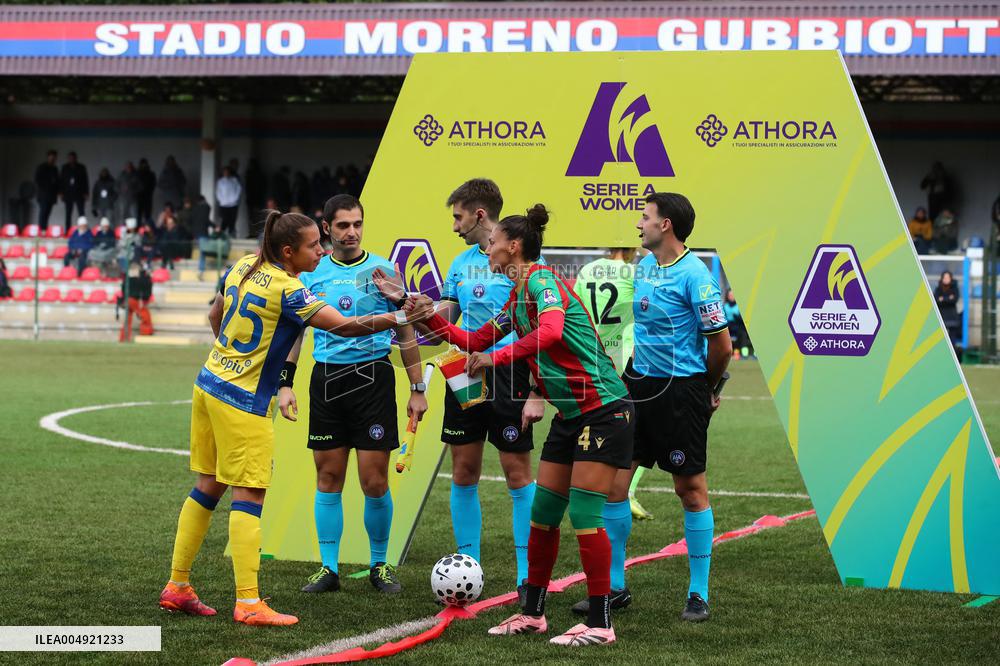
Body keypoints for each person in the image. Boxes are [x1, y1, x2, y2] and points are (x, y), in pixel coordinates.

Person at [158, 210, 434, 626]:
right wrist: (400, 317)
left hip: (209, 383)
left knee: (206, 487)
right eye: (312, 245)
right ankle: (249, 602)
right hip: (243, 401)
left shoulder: (243, 267)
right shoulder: (290, 289)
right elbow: (343, 326)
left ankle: (178, 585)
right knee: (249, 496)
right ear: (289, 252)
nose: (321, 249)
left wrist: (235, 359)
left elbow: (215, 316)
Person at [388, 204, 635, 646]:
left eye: (495, 240)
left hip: (604, 410)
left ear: (513, 246)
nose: (489, 247)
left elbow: (553, 332)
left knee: (582, 514)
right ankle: (533, 614)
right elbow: (471, 339)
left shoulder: (541, 280)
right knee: (542, 516)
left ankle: (600, 624)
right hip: (571, 415)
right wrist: (418, 310)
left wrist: (494, 358)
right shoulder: (517, 295)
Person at [574, 192, 732, 625]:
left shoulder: (696, 276)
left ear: (666, 226)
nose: (638, 224)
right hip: (638, 386)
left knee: (690, 490)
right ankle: (615, 587)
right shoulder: (644, 267)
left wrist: (706, 388)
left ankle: (698, 593)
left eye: (645, 217)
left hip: (681, 393)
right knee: (615, 487)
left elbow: (722, 346)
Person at [281, 194, 427, 596]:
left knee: (374, 480)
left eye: (357, 224)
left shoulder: (385, 269)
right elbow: (296, 333)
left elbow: (405, 328)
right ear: (326, 228)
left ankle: (380, 565)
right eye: (343, 225)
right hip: (327, 379)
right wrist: (285, 382)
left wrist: (417, 389)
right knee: (328, 477)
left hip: (374, 379)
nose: (352, 232)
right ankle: (328, 569)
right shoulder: (311, 273)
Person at [415, 179, 537, 591]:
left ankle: (526, 573)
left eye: (458, 216)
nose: (455, 226)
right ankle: (468, 567)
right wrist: (421, 311)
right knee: (463, 471)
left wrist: (535, 386)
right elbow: (448, 315)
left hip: (509, 373)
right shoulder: (458, 263)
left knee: (516, 471)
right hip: (463, 371)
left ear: (479, 215)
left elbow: (536, 324)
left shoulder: (519, 263)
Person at [573, 248, 651, 521]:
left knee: (594, 429)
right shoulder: (634, 273)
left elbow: (578, 314)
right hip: (627, 359)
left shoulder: (587, 270)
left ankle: (595, 492)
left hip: (594, 358)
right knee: (636, 433)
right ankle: (623, 491)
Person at [119, 261, 154, 340]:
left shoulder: (127, 278)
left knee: (127, 320)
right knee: (145, 315)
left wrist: (124, 300)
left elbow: (123, 289)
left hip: (128, 300)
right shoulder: (139, 279)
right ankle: (146, 333)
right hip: (135, 299)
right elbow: (142, 288)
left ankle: (124, 337)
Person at [935, 270, 961, 357]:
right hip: (941, 317)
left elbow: (954, 300)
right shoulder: (938, 289)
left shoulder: (955, 288)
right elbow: (936, 300)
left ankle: (953, 356)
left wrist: (943, 299)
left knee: (952, 338)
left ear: (951, 278)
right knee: (940, 338)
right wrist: (948, 298)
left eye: (948, 277)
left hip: (952, 317)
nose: (946, 279)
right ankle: (941, 355)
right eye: (944, 277)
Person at [723, 288, 752, 358]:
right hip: (728, 326)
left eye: (733, 295)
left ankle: (744, 354)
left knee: (743, 334)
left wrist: (738, 317)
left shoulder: (739, 306)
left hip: (739, 326)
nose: (731, 297)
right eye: (730, 295)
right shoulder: (725, 306)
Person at [34, 150, 59, 230]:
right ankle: (41, 229)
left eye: (54, 158)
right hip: (43, 195)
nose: (52, 159)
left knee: (48, 213)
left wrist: (57, 191)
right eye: (51, 157)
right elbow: (37, 180)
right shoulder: (41, 167)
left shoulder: (55, 169)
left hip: (51, 196)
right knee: (43, 212)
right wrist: (46, 185)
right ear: (48, 157)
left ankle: (44, 229)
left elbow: (57, 181)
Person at [216, 166, 242, 236]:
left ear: (229, 172)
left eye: (227, 172)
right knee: (224, 220)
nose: (226, 173)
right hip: (224, 204)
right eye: (225, 172)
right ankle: (221, 235)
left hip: (233, 204)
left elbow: (239, 189)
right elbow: (218, 192)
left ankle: (232, 235)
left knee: (232, 220)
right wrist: (221, 200)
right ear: (223, 173)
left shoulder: (234, 180)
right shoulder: (220, 181)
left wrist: (235, 199)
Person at [136, 158, 157, 226]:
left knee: (148, 215)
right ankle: (138, 229)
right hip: (139, 197)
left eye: (145, 164)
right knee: (138, 215)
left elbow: (153, 184)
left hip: (148, 197)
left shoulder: (151, 174)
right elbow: (135, 185)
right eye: (142, 164)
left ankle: (148, 229)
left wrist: (148, 191)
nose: (144, 166)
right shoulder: (137, 174)